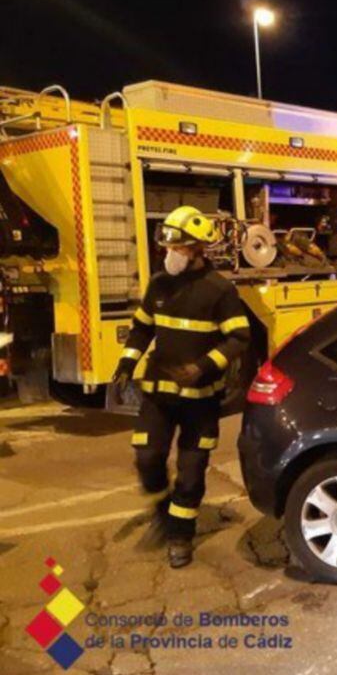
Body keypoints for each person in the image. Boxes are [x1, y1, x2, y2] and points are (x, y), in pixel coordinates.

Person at [111, 206, 250, 569]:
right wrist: (126, 362)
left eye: (180, 248)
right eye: (169, 247)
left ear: (197, 250)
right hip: (158, 393)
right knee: (148, 458)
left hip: (200, 401)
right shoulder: (159, 284)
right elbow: (142, 327)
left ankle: (179, 536)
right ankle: (162, 511)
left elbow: (239, 337)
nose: (171, 254)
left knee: (191, 473)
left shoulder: (220, 290)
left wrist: (202, 366)